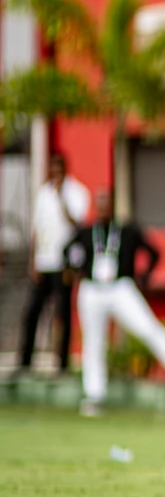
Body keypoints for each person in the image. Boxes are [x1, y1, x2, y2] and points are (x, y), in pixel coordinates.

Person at [63, 189, 165, 417]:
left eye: (107, 204)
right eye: (100, 204)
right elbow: (67, 251)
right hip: (92, 289)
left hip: (121, 287)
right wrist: (76, 271)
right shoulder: (86, 232)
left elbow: (154, 252)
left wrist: (144, 277)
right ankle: (94, 395)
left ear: (113, 206)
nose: (103, 209)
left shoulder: (127, 230)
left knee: (147, 327)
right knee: (94, 342)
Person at [18, 153, 90, 375]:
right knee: (32, 311)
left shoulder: (77, 192)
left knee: (63, 313)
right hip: (44, 262)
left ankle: (62, 365)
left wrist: (61, 198)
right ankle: (25, 362)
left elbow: (77, 224)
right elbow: (37, 230)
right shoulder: (43, 193)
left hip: (64, 263)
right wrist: (33, 261)